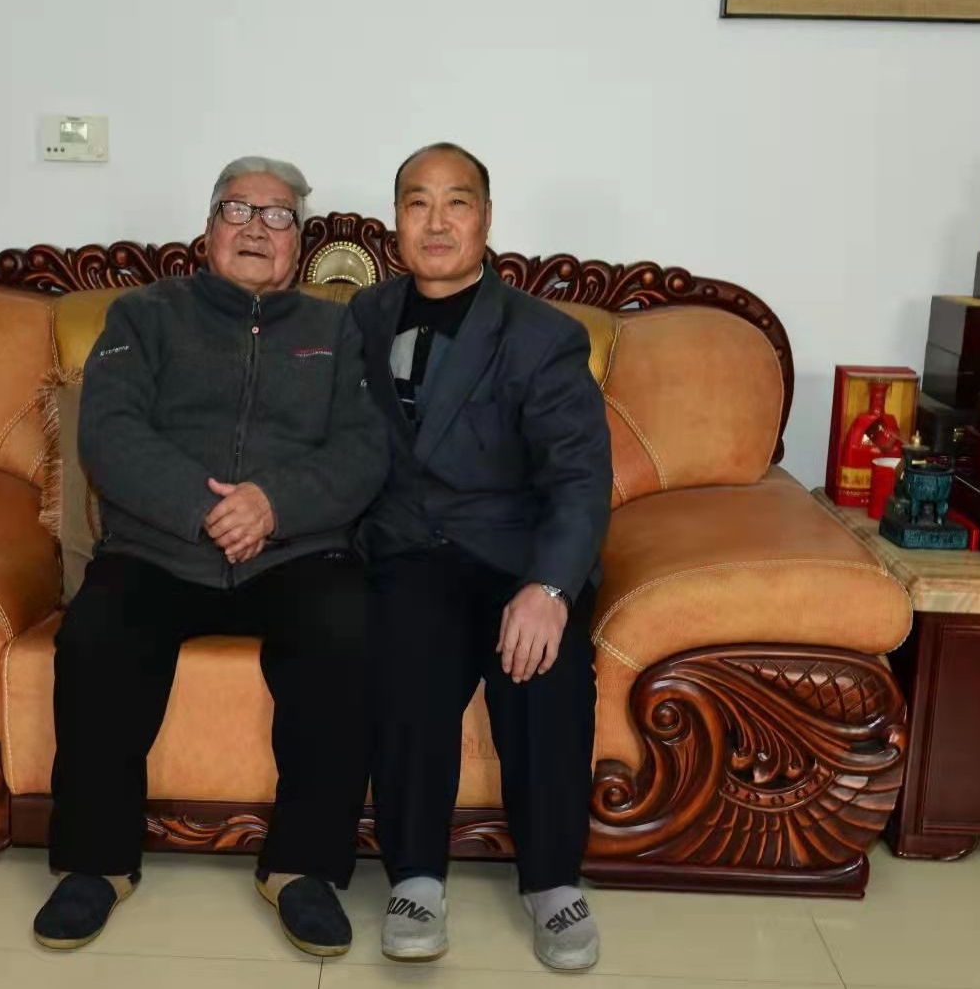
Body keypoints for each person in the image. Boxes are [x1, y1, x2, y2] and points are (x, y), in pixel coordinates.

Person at [33, 156, 387, 957]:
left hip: (295, 550)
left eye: (277, 214)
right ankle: (97, 863)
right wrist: (204, 510)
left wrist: (274, 504)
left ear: (299, 242)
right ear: (207, 229)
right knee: (95, 637)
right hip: (159, 547)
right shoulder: (144, 315)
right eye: (238, 209)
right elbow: (110, 434)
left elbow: (364, 450)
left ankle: (301, 868)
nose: (256, 228)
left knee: (347, 634)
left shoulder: (339, 332)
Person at [349, 143, 612, 970]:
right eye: (416, 203)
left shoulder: (542, 336)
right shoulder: (359, 318)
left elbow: (579, 478)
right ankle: (415, 878)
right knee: (408, 659)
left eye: (455, 202)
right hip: (405, 551)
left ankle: (552, 883)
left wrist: (549, 587)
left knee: (543, 670)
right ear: (395, 221)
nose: (436, 222)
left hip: (512, 554)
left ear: (486, 218)